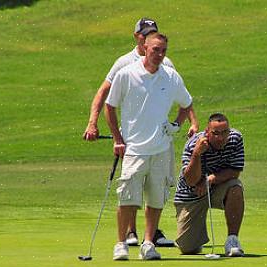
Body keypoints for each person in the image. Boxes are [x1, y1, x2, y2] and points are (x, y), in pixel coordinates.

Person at [84, 17, 199, 248]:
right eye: (146, 33)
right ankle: (129, 233)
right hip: (133, 139)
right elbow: (105, 95)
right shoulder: (124, 65)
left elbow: (181, 96)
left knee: (156, 189)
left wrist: (188, 122)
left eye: (153, 32)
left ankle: (150, 235)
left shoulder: (167, 65)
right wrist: (92, 123)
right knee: (130, 189)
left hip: (159, 141)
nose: (150, 37)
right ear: (138, 37)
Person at [174, 113, 246, 257]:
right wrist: (196, 154)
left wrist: (212, 179)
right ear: (207, 132)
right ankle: (197, 237)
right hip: (191, 193)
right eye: (216, 133)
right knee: (188, 249)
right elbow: (190, 180)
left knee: (235, 187)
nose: (221, 137)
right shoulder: (194, 143)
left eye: (224, 132)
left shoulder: (235, 139)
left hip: (217, 187)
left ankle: (232, 240)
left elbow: (235, 171)